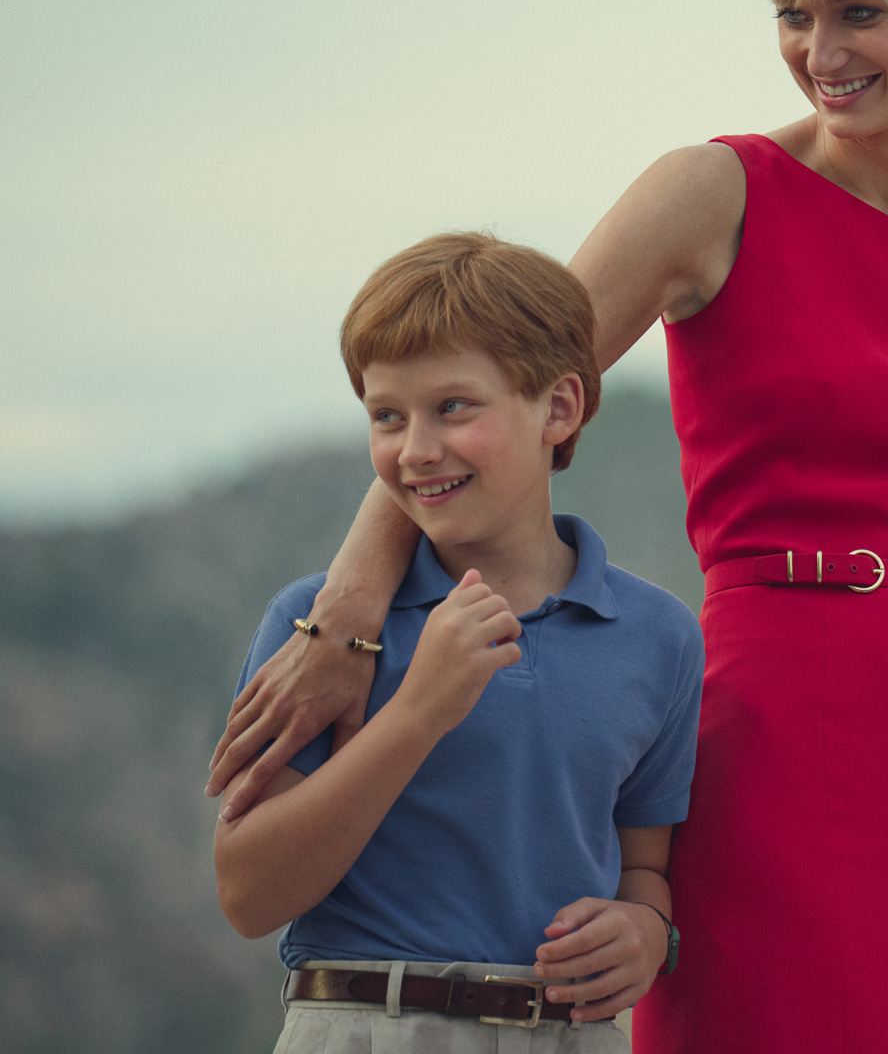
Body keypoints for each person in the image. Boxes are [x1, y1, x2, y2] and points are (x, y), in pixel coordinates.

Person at [208, 0, 888, 1054]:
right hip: (779, 741)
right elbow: (491, 391)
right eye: (792, 14)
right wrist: (349, 612)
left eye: (857, 12)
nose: (817, 52)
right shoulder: (715, 192)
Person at [214, 232, 703, 1050]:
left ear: (559, 408)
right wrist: (416, 714)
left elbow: (643, 865)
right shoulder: (319, 632)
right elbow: (249, 895)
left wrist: (648, 932)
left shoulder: (657, 638)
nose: (415, 451)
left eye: (453, 408)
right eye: (386, 416)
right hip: (366, 1026)